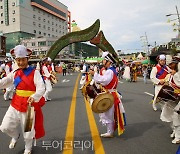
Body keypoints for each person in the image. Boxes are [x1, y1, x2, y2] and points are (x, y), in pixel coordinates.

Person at [0, 45, 46, 154]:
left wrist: (34, 97)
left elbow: (41, 87)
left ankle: (28, 148)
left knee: (28, 130)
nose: (21, 62)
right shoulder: (15, 73)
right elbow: (5, 82)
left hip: (30, 105)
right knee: (5, 127)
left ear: (27, 59)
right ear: (15, 60)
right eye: (18, 60)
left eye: (23, 60)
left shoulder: (35, 72)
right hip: (15, 104)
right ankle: (15, 135)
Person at [89, 51, 126, 137]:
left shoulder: (110, 71)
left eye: (104, 60)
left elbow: (104, 81)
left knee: (107, 113)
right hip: (110, 93)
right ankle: (110, 131)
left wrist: (95, 74)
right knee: (108, 113)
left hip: (110, 95)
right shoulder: (111, 70)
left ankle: (110, 132)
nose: (103, 62)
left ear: (108, 61)